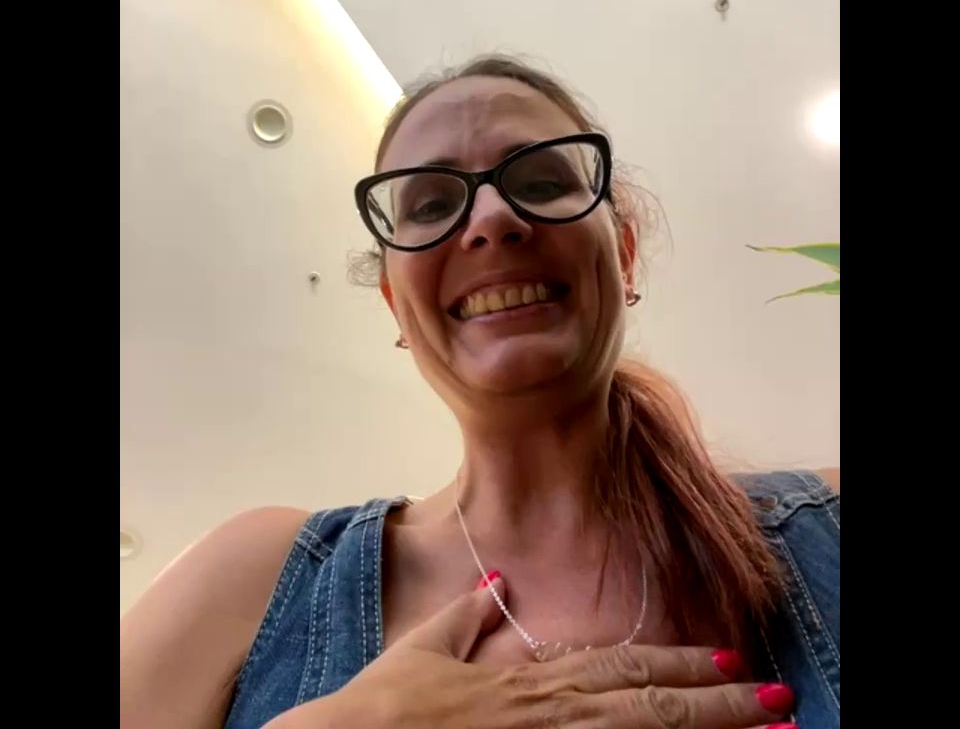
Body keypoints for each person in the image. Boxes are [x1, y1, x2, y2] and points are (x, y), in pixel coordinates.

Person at [120, 55, 839, 729]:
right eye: (432, 204)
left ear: (622, 257)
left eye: (542, 183)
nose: (491, 218)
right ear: (397, 306)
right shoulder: (256, 577)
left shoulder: (827, 528)